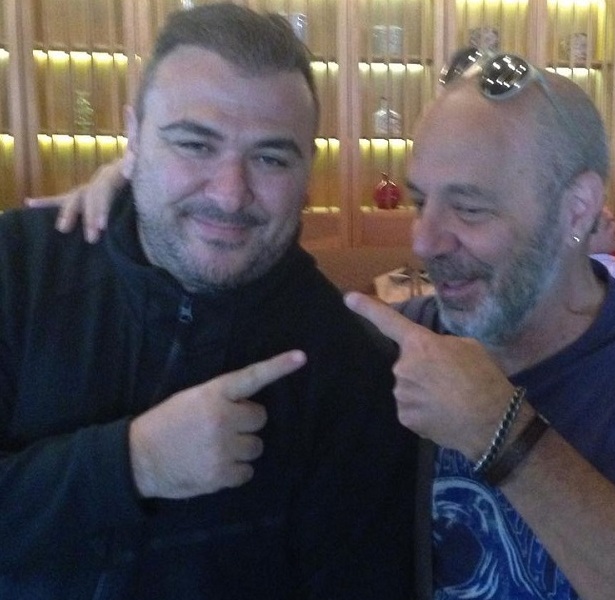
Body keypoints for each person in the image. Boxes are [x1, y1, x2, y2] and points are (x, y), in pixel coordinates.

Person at [34, 49, 615, 600]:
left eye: (469, 207)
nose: (425, 240)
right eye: (422, 201)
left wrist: (502, 434)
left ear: (576, 209)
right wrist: (142, 203)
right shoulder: (385, 344)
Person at [1, 5, 416, 598]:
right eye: (195, 145)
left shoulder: (353, 368)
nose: (229, 194)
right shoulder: (18, 269)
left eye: (270, 158)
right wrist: (130, 465)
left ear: (307, 171)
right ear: (133, 139)